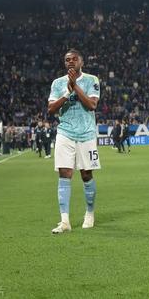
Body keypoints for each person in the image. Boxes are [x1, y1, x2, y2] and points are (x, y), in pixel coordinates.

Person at [47, 49, 101, 234]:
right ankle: (65, 221)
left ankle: (90, 213)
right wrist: (66, 93)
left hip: (87, 134)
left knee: (86, 175)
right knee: (64, 173)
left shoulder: (92, 80)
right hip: (65, 132)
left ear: (81, 62)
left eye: (74, 59)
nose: (70, 61)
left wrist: (75, 86)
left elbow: (92, 105)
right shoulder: (57, 83)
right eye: (67, 60)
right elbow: (51, 109)